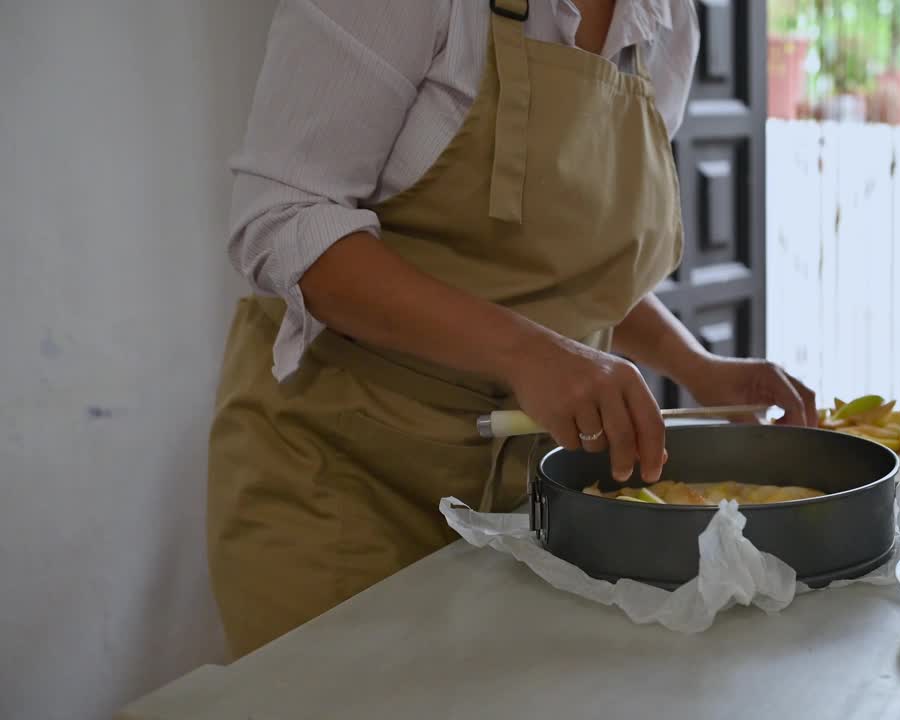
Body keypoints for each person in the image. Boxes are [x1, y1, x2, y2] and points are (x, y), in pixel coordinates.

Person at [207, 0, 816, 659]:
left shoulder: (665, 21)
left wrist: (694, 364)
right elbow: (283, 220)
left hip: (528, 504)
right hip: (340, 479)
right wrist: (526, 354)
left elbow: (574, 273)